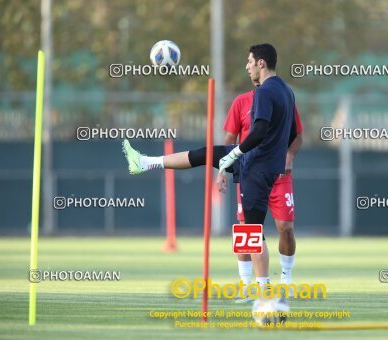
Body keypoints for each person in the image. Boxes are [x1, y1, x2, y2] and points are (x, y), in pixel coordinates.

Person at [122, 43, 298, 295]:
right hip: (259, 162)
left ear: (261, 63)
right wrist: (230, 160)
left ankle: (264, 294)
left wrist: (236, 153)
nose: (247, 66)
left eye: (249, 61)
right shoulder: (287, 91)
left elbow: (258, 131)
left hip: (255, 166)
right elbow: (288, 133)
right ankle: (145, 162)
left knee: (252, 232)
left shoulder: (264, 91)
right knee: (205, 153)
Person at [223, 81, 303, 302]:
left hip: (279, 175)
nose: (250, 68)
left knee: (285, 227)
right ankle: (247, 286)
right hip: (250, 173)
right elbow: (229, 140)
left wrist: (289, 155)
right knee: (246, 228)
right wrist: (222, 171)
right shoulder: (241, 102)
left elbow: (297, 136)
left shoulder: (283, 98)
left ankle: (286, 280)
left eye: (252, 62)